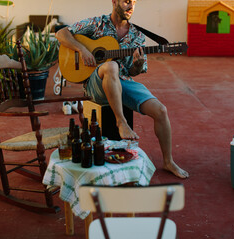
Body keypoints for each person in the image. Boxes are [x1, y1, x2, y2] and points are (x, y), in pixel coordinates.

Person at [55, 0, 189, 178]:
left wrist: (137, 65)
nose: (131, 6)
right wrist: (82, 50)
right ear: (115, 1)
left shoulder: (137, 35)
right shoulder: (96, 23)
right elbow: (61, 33)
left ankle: (168, 161)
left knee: (161, 110)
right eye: (126, 1)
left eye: (134, 2)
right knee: (111, 67)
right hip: (95, 83)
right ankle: (121, 122)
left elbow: (133, 72)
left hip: (122, 81)